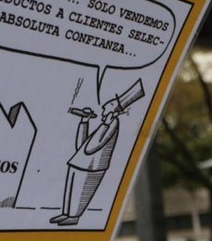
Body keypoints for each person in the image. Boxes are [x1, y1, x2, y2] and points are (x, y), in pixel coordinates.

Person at [50, 79, 144, 226]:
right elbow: (82, 145)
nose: (107, 104)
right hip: (79, 162)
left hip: (93, 166)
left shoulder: (112, 124)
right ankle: (66, 213)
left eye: (111, 104)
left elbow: (93, 146)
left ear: (114, 110)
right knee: (71, 188)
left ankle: (74, 216)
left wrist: (105, 124)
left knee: (81, 192)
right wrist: (84, 122)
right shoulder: (103, 124)